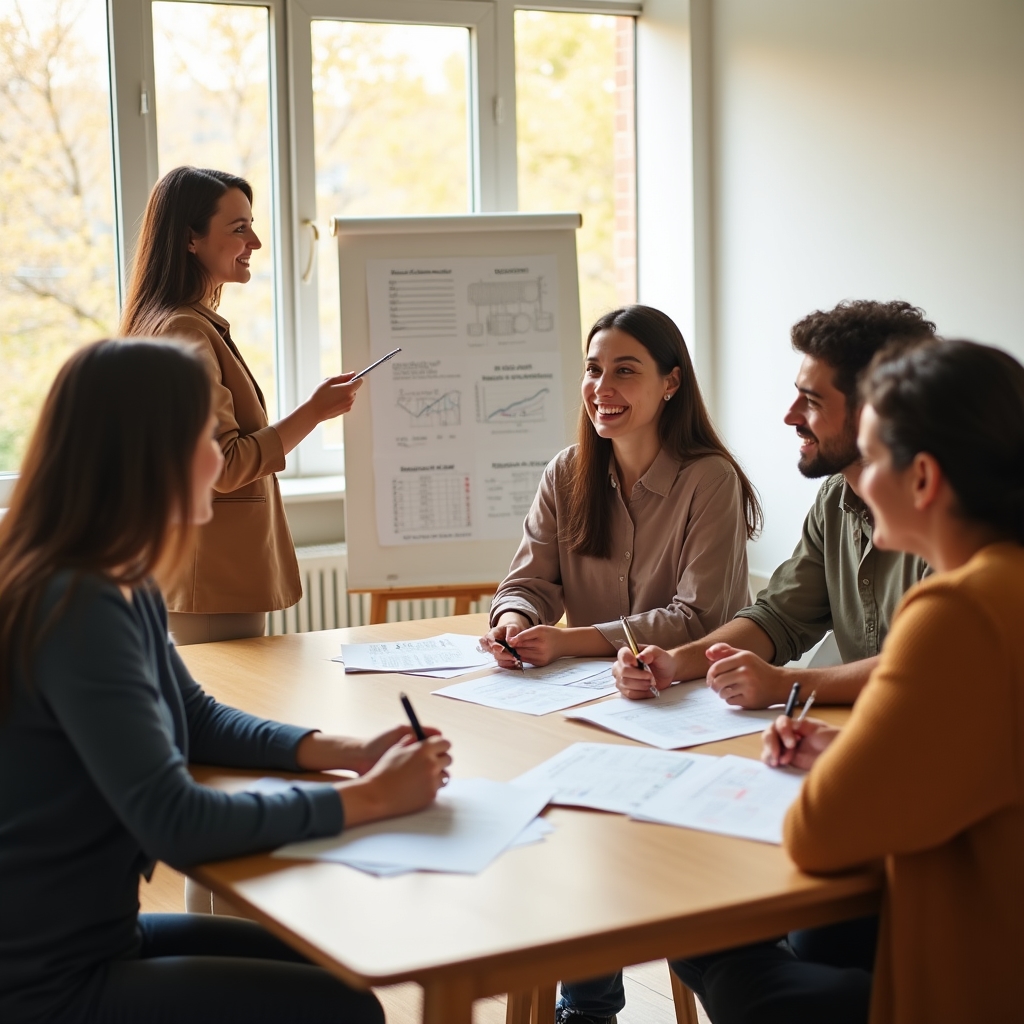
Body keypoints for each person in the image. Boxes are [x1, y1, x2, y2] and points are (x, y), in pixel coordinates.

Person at [0, 338, 452, 1024]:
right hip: (45, 981)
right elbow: (176, 822)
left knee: (333, 968)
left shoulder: (120, 579)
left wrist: (343, 752)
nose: (220, 458)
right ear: (148, 458)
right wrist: (372, 799)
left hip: (94, 937)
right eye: (205, 438)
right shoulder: (78, 602)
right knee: (346, 1011)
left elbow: (198, 718)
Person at [672, 337, 1024, 1023]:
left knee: (699, 929)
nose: (857, 480)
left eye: (870, 456)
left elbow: (817, 832)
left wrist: (847, 759)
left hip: (972, 986)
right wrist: (858, 752)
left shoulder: (954, 609)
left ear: (921, 479)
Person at [614, 299, 936, 711]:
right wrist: (675, 663)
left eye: (812, 401)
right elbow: (780, 617)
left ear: (874, 412)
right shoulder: (836, 497)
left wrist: (786, 685)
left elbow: (927, 665)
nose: (790, 416)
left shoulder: (953, 515)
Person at [120, 166, 361, 646]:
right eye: (239, 228)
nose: (255, 241)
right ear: (191, 239)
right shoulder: (184, 330)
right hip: (211, 583)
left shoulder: (179, 324)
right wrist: (314, 412)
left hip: (203, 579)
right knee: (221, 713)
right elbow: (224, 467)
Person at [482, 304, 761, 673]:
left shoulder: (711, 479)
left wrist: (568, 641)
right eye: (593, 369)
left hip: (691, 689)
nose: (601, 388)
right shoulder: (564, 473)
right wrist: (514, 622)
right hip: (589, 688)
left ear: (671, 383)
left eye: (624, 371)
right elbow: (528, 584)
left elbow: (696, 620)